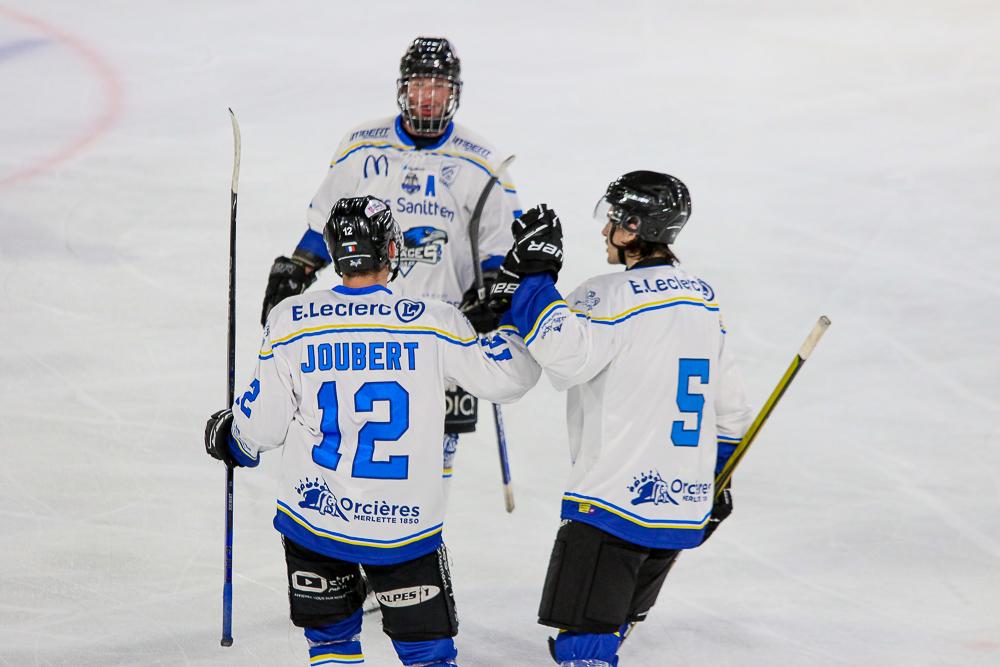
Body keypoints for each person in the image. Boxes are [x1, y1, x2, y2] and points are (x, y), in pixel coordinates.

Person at [206, 196, 539, 666]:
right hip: (404, 528)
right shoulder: (434, 320)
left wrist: (231, 438)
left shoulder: (291, 319)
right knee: (428, 653)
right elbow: (510, 379)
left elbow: (260, 428)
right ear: (391, 249)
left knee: (332, 644)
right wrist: (508, 317)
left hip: (315, 521)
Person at [489, 174, 754, 667]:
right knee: (609, 630)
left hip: (613, 503)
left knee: (585, 646)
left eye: (612, 219)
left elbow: (564, 354)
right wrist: (718, 479)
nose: (604, 230)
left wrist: (536, 276)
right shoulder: (704, 300)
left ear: (633, 228)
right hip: (683, 507)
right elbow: (733, 412)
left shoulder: (607, 295)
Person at [260, 36, 522, 481]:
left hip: (442, 328)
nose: (428, 97)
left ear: (454, 92)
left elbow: (498, 249)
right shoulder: (362, 147)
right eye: (420, 86)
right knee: (359, 442)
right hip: (365, 317)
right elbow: (327, 220)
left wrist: (493, 299)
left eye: (438, 87)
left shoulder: (481, 162)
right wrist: (299, 266)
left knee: (430, 468)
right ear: (403, 89)